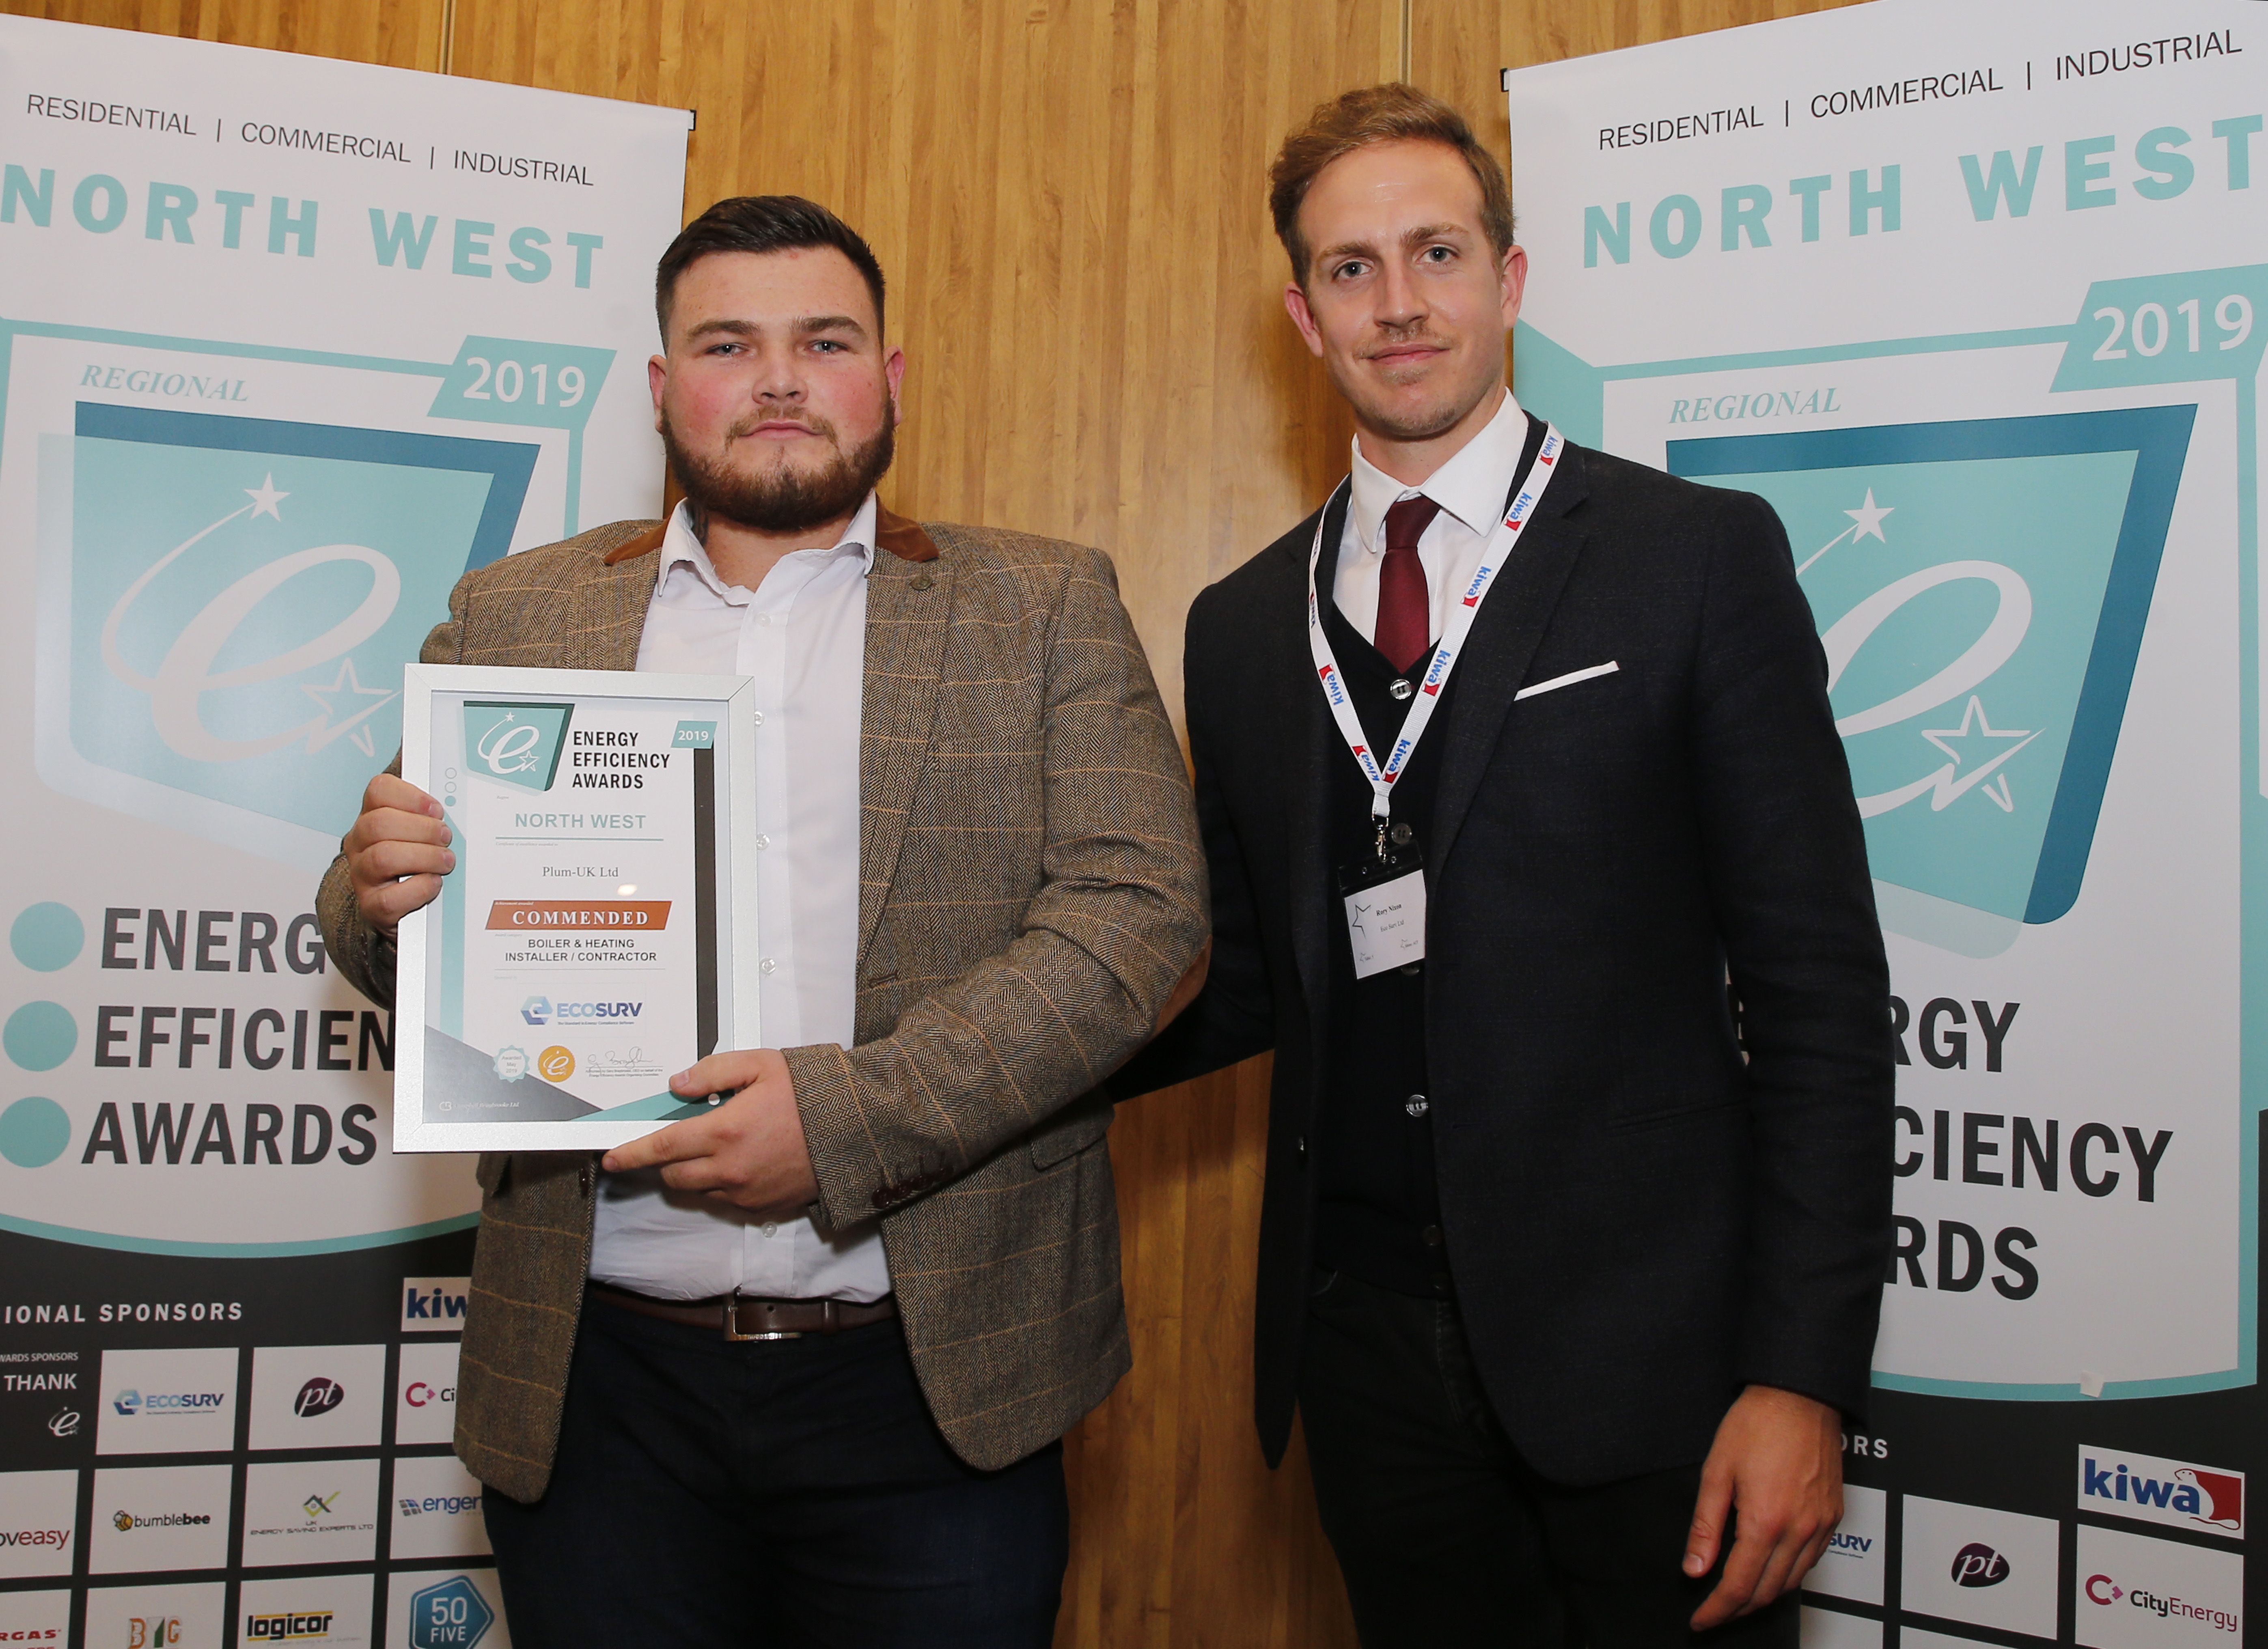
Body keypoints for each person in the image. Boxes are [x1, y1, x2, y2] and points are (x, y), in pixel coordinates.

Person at [317, 195, 1207, 1646]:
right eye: (728, 345)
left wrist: (848, 1122)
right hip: (598, 1389)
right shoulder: (518, 612)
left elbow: (1140, 918)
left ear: (890, 377)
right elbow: (381, 931)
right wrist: (375, 888)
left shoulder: (1040, 604)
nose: (780, 380)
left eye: (825, 341)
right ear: (662, 386)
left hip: (936, 1382)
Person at [1111, 86, 1893, 1646]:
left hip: (1655, 1363)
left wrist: (1799, 1376)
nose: (1398, 303)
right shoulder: (1242, 624)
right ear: (1303, 315)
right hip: (1365, 1364)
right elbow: (1240, 976)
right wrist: (953, 1062)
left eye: (1437, 252)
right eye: (1351, 268)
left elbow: (1816, 998)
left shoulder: (1692, 558)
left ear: (1509, 279)